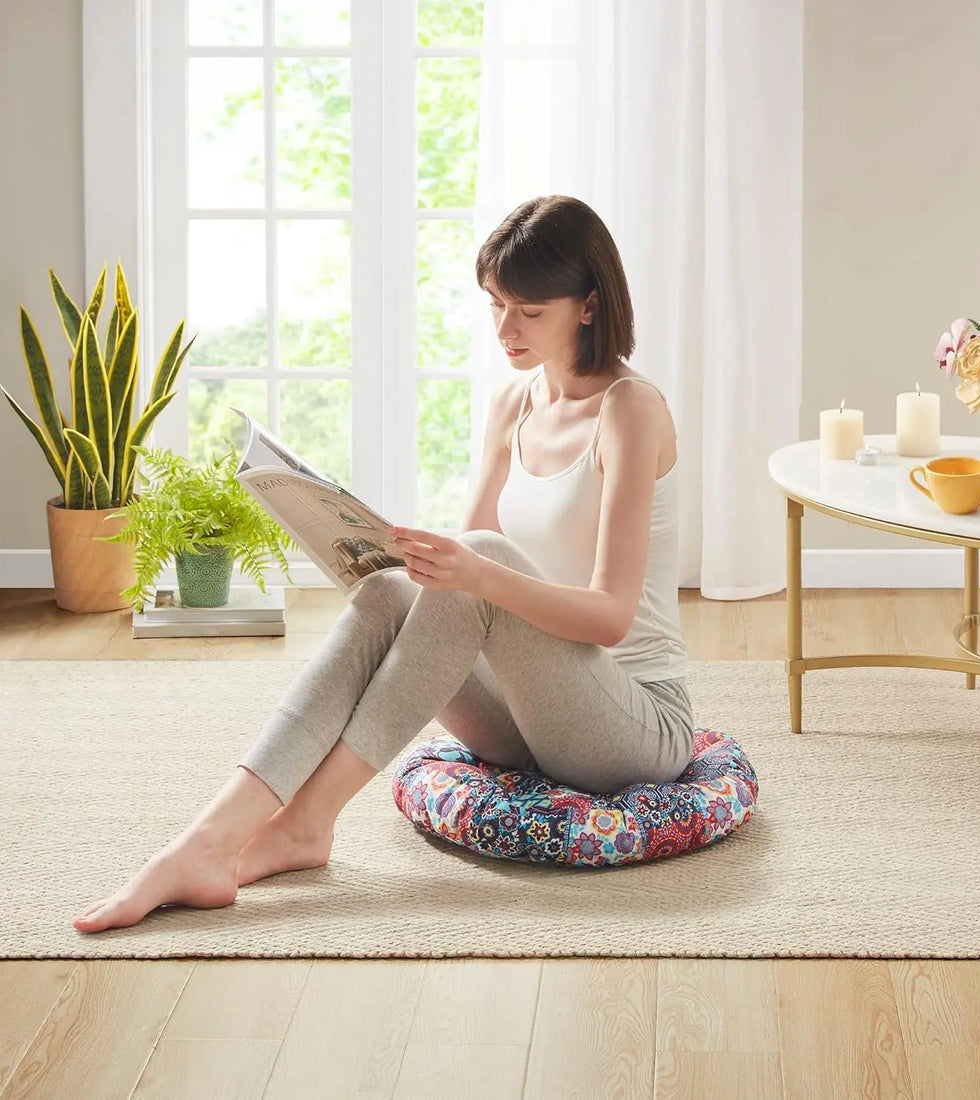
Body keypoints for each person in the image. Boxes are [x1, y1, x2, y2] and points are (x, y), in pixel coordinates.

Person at [74, 195, 693, 933]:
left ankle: (306, 821)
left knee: (479, 565)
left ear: (588, 306)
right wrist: (387, 559)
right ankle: (208, 840)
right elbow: (459, 594)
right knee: (384, 599)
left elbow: (611, 617)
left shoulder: (631, 410)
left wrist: (475, 572)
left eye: (528, 310)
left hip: (633, 724)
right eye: (496, 304)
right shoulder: (512, 404)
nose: (505, 329)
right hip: (532, 716)